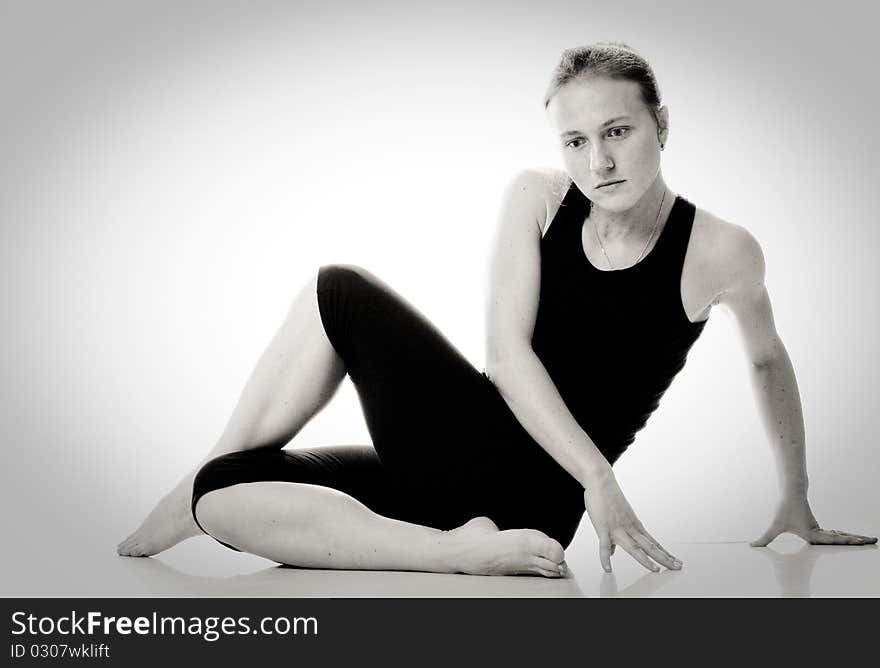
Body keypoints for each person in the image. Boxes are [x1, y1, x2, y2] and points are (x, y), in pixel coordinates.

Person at [117, 42, 876, 575]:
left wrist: (796, 494)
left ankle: (193, 486)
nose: (598, 162)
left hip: (533, 495)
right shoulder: (540, 199)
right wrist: (602, 483)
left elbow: (768, 356)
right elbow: (507, 357)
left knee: (336, 290)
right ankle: (445, 552)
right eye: (575, 140)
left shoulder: (720, 249)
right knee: (230, 492)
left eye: (618, 131)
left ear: (661, 126)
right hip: (484, 482)